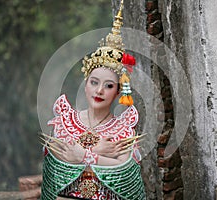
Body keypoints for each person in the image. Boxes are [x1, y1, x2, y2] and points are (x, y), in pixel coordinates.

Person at [40, 1, 146, 199]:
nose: (99, 91)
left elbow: (124, 169)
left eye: (108, 86)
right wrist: (99, 152)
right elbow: (59, 160)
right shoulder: (65, 121)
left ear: (117, 93)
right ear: (85, 83)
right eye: (94, 82)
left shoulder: (122, 130)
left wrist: (84, 156)